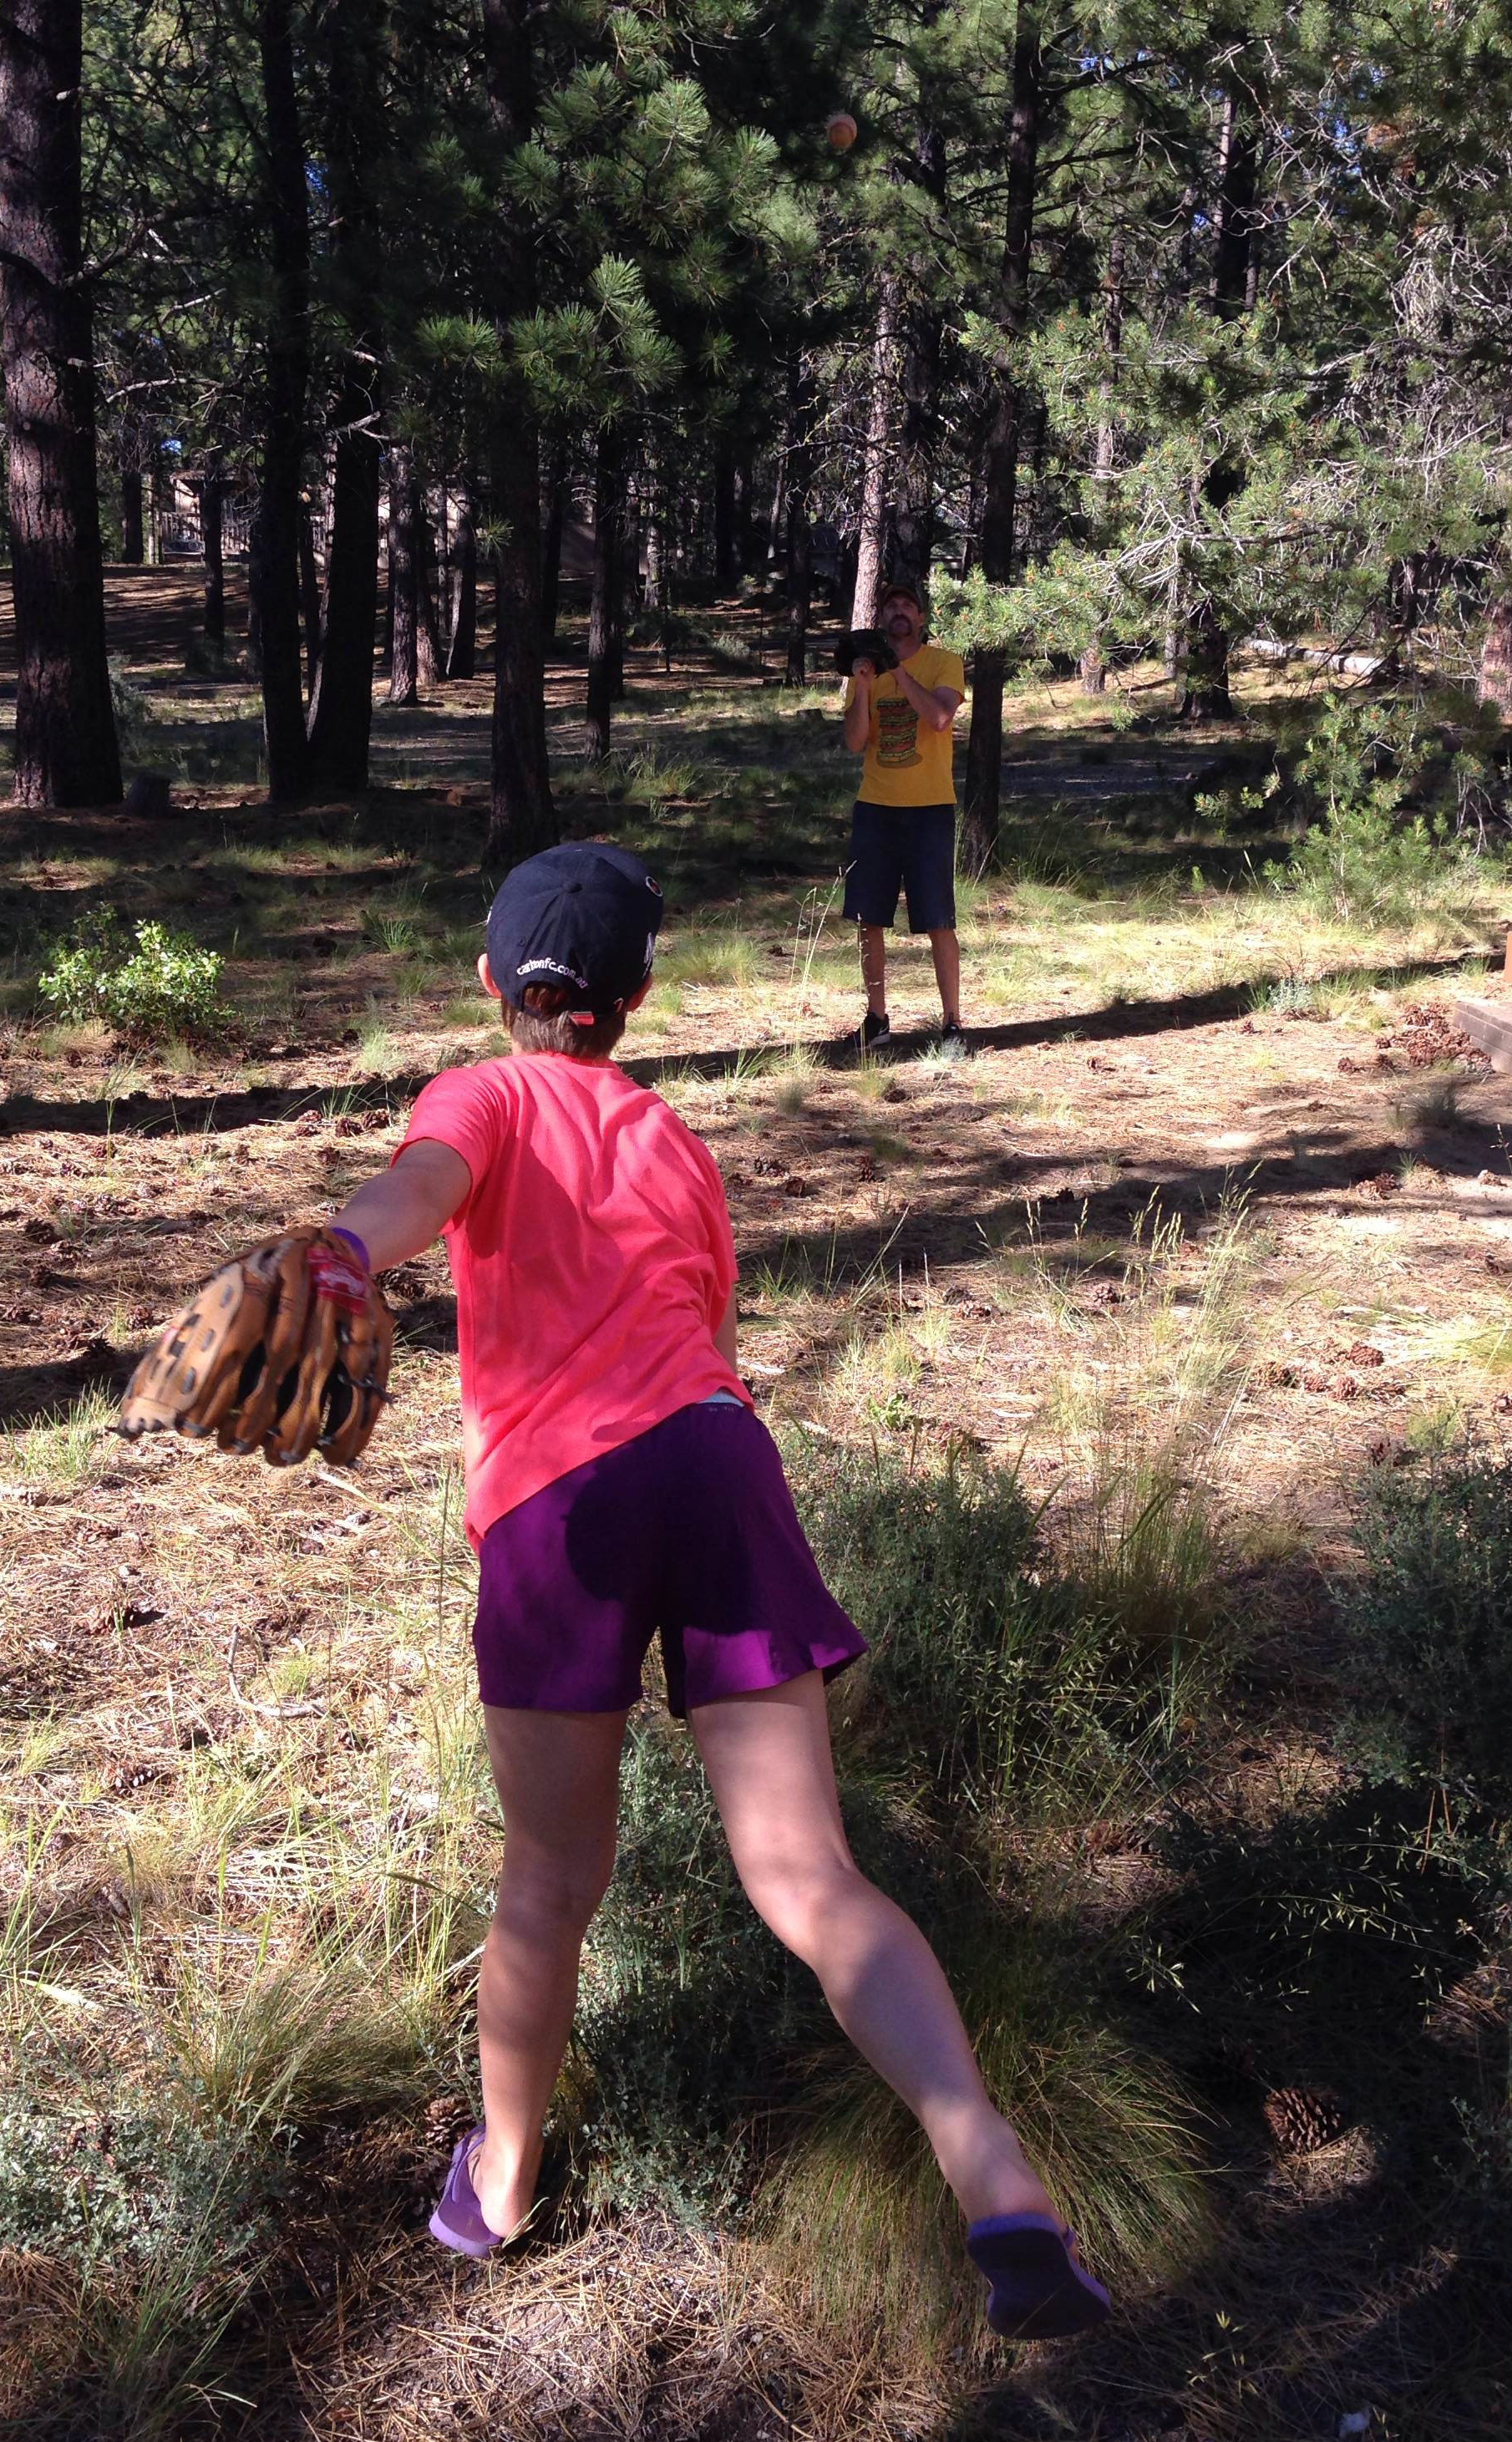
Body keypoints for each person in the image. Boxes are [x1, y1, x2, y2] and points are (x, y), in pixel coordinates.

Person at [325, 842, 1109, 2340]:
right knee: (808, 1872)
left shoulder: (479, 1094)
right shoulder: (675, 1143)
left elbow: (425, 1183)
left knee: (550, 1876)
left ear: (489, 982)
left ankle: (499, 2179)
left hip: (564, 1495)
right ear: (636, 998)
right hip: (716, 1454)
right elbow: (707, 1334)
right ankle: (992, 2171)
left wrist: (344, 1252)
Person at [841, 580, 967, 1053]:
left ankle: (952, 1023)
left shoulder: (944, 663)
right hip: (876, 808)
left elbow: (939, 718)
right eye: (891, 605)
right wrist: (864, 685)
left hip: (930, 809)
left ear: (921, 618)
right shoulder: (866, 672)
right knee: (868, 918)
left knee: (938, 918)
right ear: (881, 617)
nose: (899, 611)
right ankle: (876, 1020)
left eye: (908, 606)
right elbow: (855, 741)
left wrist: (898, 670)